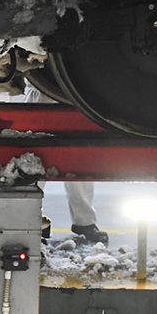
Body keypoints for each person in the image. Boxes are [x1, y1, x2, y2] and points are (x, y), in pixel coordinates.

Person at [19, 83, 109, 244]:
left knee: (79, 161)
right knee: (35, 163)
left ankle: (84, 222)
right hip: (42, 93)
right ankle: (28, 225)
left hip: (75, 94)